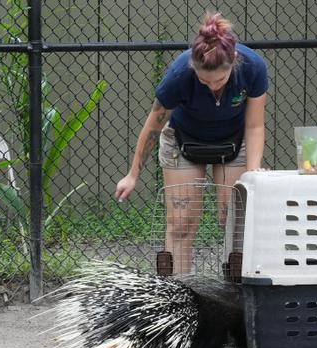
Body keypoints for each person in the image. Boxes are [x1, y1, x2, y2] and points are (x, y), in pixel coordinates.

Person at [114, 12, 268, 275]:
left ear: (233, 61)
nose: (212, 87)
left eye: (219, 80)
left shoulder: (253, 67)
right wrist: (132, 174)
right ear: (193, 69)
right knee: (181, 223)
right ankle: (178, 292)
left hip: (233, 142)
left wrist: (252, 172)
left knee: (232, 221)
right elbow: (154, 125)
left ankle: (236, 295)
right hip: (183, 141)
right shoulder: (179, 73)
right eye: (203, 81)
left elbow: (254, 126)